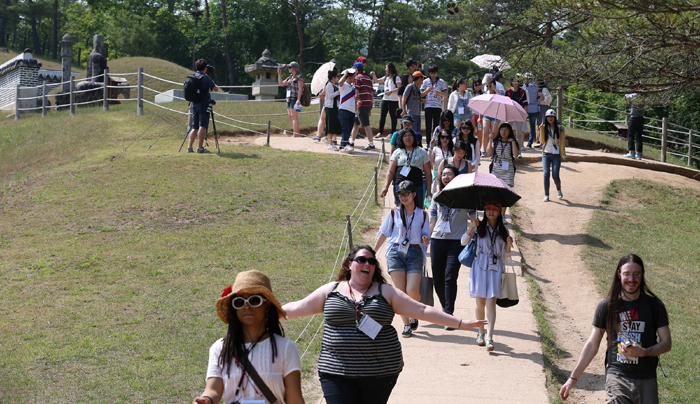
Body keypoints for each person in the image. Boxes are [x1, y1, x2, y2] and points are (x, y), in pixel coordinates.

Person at [281, 245, 487, 404]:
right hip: (336, 371)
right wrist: (260, 311)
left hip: (379, 372)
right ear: (349, 264)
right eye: (361, 259)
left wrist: (461, 323)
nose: (367, 264)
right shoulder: (331, 291)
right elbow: (296, 308)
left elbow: (422, 310)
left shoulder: (385, 292)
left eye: (372, 261)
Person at [559, 254, 672, 403]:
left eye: (636, 274)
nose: (631, 279)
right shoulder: (607, 306)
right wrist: (573, 378)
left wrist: (644, 352)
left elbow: (666, 343)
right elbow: (592, 345)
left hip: (646, 377)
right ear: (619, 274)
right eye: (626, 274)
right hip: (617, 376)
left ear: (642, 274)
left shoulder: (655, 306)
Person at [192, 270, 304, 404]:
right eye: (239, 302)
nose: (246, 306)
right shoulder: (220, 348)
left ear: (267, 305)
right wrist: (207, 400)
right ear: (234, 308)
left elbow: (295, 399)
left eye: (254, 300)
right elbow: (213, 390)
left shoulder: (286, 348)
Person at [375, 180, 430, 337]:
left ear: (414, 194)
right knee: (400, 292)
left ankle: (413, 311)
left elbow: (426, 234)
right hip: (395, 251)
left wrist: (426, 239)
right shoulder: (393, 213)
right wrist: (373, 251)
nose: (403, 197)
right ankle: (406, 325)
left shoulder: (422, 214)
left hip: (415, 252)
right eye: (401, 194)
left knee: (412, 290)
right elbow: (384, 233)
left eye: (406, 194)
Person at [461, 200, 513, 352]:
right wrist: (471, 227)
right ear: (484, 211)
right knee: (480, 303)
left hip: (495, 268)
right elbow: (463, 242)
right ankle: (480, 333)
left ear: (499, 211)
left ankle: (490, 336)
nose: (491, 211)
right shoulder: (478, 228)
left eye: (494, 209)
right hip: (479, 267)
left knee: (491, 302)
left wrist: (509, 244)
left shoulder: (504, 232)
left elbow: (505, 255)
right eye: (488, 209)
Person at [430, 165, 476, 325]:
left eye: (449, 174)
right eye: (443, 174)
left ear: (456, 177)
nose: (445, 177)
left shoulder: (466, 197)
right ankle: (445, 307)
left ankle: (448, 314)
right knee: (437, 279)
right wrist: (426, 237)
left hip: (456, 243)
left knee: (450, 277)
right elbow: (432, 220)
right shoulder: (437, 196)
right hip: (437, 240)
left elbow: (473, 218)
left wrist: (474, 228)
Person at [380, 129, 432, 209]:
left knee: (418, 210)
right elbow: (390, 171)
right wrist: (385, 187)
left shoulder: (422, 152)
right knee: (400, 210)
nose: (408, 138)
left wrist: (428, 190)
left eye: (410, 136)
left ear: (414, 138)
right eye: (405, 136)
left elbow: (428, 172)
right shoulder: (397, 152)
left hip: (417, 185)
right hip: (400, 186)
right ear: (401, 139)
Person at [486, 123, 519, 220]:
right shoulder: (495, 141)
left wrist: (512, 141)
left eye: (506, 130)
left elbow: (516, 154)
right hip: (496, 169)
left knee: (505, 193)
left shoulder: (512, 142)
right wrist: (490, 139)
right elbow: (489, 153)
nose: (503, 132)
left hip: (508, 170)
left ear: (510, 132)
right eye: (501, 130)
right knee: (495, 193)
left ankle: (503, 215)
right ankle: (495, 212)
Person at [187, 58, 219, 154]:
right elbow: (216, 89)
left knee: (195, 126)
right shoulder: (206, 77)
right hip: (203, 104)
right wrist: (211, 80)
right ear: (205, 68)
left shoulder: (193, 76)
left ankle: (190, 147)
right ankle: (200, 148)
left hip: (194, 104)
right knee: (202, 125)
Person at [349, 62, 377, 151]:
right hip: (368, 103)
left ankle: (371, 144)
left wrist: (354, 104)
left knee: (366, 124)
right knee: (356, 123)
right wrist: (371, 106)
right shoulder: (368, 78)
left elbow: (356, 93)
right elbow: (371, 93)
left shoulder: (357, 78)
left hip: (361, 103)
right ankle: (352, 141)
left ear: (356, 69)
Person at [540, 109, 566, 201]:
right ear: (546, 118)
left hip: (556, 155)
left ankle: (559, 189)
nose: (550, 118)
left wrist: (563, 154)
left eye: (552, 117)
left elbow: (562, 142)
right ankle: (546, 195)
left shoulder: (560, 128)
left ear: (555, 117)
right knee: (546, 174)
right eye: (548, 117)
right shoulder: (543, 127)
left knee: (555, 175)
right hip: (546, 154)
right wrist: (540, 130)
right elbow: (542, 141)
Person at [421, 65, 448, 147]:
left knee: (436, 126)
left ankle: (436, 142)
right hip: (428, 106)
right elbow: (421, 94)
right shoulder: (425, 81)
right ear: (429, 73)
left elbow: (446, 95)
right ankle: (428, 143)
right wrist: (427, 90)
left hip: (437, 106)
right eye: (432, 73)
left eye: (435, 73)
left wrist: (439, 93)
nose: (433, 75)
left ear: (437, 72)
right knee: (428, 125)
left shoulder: (441, 82)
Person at [371, 63, 401, 137]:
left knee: (393, 116)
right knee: (382, 116)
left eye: (386, 67)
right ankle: (380, 131)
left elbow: (399, 88)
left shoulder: (396, 77)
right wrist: (374, 75)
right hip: (385, 99)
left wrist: (391, 92)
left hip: (393, 100)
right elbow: (377, 81)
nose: (385, 69)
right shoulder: (386, 77)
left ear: (390, 68)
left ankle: (392, 132)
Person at [277, 62, 304, 138]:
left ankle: (295, 134)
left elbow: (300, 89)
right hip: (288, 98)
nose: (288, 68)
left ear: (294, 68)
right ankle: (297, 133)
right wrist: (279, 74)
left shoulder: (299, 76)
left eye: (290, 67)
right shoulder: (290, 77)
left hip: (295, 98)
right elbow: (281, 84)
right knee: (290, 116)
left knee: (294, 116)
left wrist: (298, 100)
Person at [337, 68, 357, 151]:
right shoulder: (344, 85)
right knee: (345, 128)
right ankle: (344, 144)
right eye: (353, 77)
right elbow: (340, 82)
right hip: (344, 110)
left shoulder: (353, 87)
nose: (355, 78)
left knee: (349, 129)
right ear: (349, 78)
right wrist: (345, 74)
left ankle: (344, 144)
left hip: (352, 111)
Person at [401, 71, 426, 136]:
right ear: (419, 78)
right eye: (422, 78)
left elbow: (417, 98)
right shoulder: (410, 86)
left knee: (417, 134)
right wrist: (404, 110)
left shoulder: (417, 88)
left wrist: (422, 100)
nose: (423, 80)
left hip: (417, 114)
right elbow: (404, 97)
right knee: (411, 133)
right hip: (411, 114)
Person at [505, 75, 528, 147]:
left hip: (519, 114)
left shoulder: (522, 92)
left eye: (516, 81)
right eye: (513, 81)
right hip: (510, 113)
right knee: (507, 131)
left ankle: (519, 149)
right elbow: (505, 103)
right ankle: (508, 146)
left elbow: (525, 105)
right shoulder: (508, 91)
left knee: (519, 133)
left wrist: (525, 115)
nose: (514, 83)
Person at [429, 129, 454, 194]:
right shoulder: (435, 149)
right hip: (437, 178)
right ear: (439, 138)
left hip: (449, 178)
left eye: (447, 137)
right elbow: (430, 162)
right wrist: (431, 148)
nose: (445, 139)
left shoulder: (453, 150)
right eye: (442, 137)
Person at [481, 79, 500, 157]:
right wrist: (479, 117)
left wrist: (495, 90)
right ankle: (483, 150)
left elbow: (501, 99)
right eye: (487, 85)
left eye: (490, 85)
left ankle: (492, 151)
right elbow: (481, 106)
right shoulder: (485, 94)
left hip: (495, 115)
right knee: (485, 133)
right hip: (486, 115)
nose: (489, 87)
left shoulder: (498, 94)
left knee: (494, 134)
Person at [324, 70, 341, 151]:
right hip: (329, 108)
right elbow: (330, 96)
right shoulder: (329, 85)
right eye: (337, 76)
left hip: (334, 107)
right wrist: (338, 92)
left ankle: (330, 142)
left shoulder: (334, 85)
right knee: (330, 126)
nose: (338, 78)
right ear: (333, 77)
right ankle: (330, 144)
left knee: (334, 125)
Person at [623, 93, 645, 160]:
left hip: (634, 118)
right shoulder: (645, 96)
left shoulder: (634, 94)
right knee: (638, 137)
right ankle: (639, 154)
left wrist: (628, 91)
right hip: (641, 118)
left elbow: (626, 96)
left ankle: (631, 153)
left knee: (630, 135)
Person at [524, 76, 540, 148]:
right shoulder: (536, 87)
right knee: (532, 126)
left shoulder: (524, 87)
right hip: (534, 108)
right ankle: (530, 142)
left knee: (522, 125)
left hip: (526, 108)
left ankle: (521, 140)